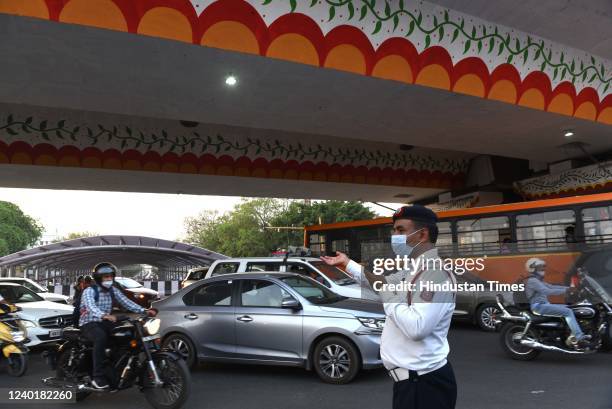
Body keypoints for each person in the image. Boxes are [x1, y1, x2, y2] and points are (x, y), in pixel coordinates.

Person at [321, 205, 457, 409]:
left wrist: (387, 295)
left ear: (422, 234)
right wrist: (347, 263)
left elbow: (417, 327)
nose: (394, 236)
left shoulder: (435, 274)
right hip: (410, 383)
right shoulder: (413, 269)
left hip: (424, 387)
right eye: (394, 230)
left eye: (401, 230)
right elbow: (379, 282)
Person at [79, 262, 156, 389]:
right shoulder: (89, 291)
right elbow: (91, 307)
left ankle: (116, 367)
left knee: (125, 335)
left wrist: (144, 311)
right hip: (89, 322)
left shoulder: (113, 290)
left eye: (110, 276)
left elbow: (126, 302)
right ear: (98, 278)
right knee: (100, 338)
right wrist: (105, 315)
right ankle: (98, 377)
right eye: (106, 277)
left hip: (105, 322)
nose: (109, 279)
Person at [524, 257, 589, 347]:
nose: (543, 269)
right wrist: (567, 290)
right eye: (540, 267)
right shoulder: (532, 281)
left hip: (544, 305)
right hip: (538, 306)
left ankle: (571, 333)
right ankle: (579, 338)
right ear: (532, 268)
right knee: (568, 312)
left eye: (543, 267)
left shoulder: (538, 280)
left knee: (572, 308)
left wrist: (570, 289)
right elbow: (547, 291)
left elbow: (551, 287)